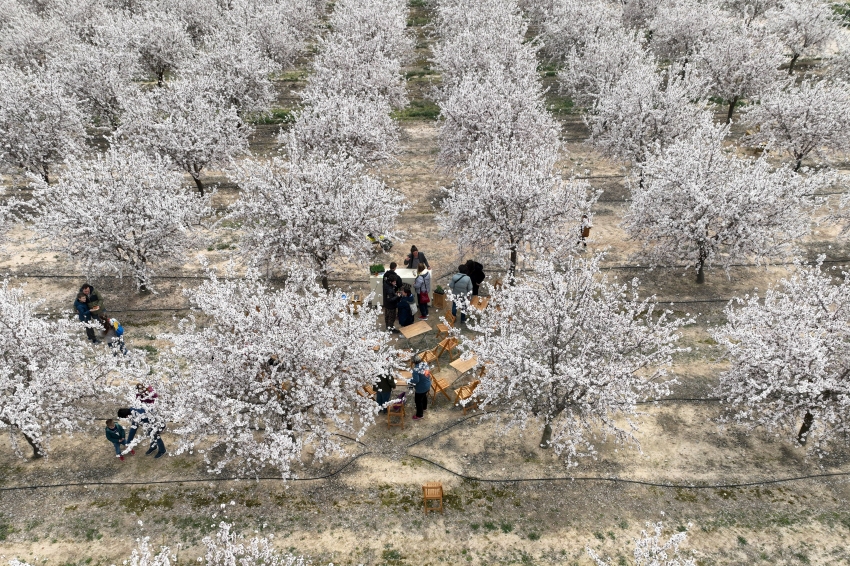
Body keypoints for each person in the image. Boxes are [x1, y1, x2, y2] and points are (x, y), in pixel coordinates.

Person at [408, 355, 432, 420]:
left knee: (418, 401)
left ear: (413, 362)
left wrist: (409, 380)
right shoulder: (425, 364)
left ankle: (419, 415)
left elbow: (416, 380)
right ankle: (424, 407)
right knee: (424, 396)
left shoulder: (415, 370)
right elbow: (427, 374)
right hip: (427, 384)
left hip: (421, 388)